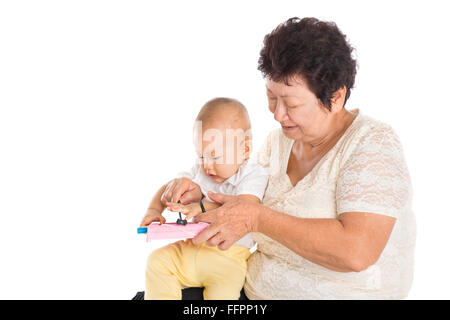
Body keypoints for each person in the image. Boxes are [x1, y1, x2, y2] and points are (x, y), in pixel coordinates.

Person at [162, 17, 416, 299]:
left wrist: (258, 219)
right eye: (271, 97)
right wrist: (199, 202)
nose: (278, 114)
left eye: (291, 104)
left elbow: (356, 251)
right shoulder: (277, 143)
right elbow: (242, 206)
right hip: (249, 289)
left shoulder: (372, 144)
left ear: (336, 97)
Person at [140, 97, 269, 300]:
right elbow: (169, 187)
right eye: (201, 156)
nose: (207, 165)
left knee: (223, 295)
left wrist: (201, 206)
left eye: (214, 157)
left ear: (244, 150)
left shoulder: (252, 174)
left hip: (228, 258)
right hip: (191, 248)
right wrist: (154, 210)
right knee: (156, 262)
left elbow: (245, 208)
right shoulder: (199, 173)